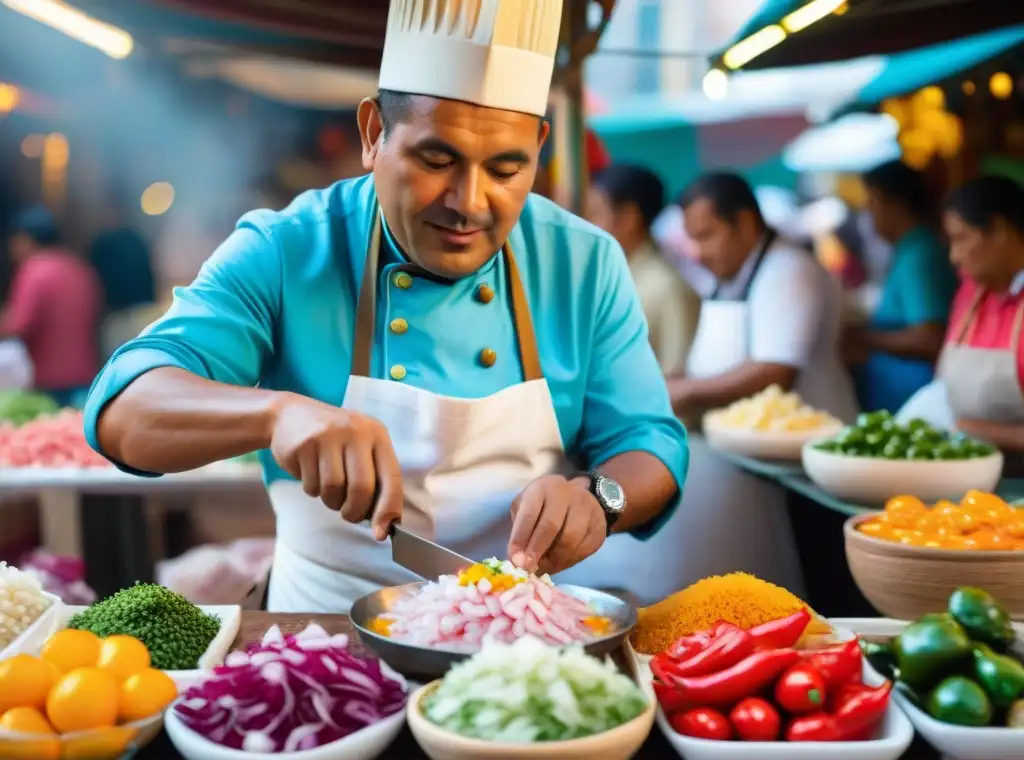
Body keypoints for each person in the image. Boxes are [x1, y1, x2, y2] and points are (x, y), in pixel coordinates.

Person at [83, 0, 688, 613]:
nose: (469, 203)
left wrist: (600, 496)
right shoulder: (289, 248)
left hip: (520, 639)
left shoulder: (583, 262)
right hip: (319, 631)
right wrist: (277, 415)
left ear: (539, 147)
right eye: (436, 160)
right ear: (374, 134)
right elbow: (122, 407)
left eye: (506, 170)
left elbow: (650, 441)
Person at [657, 172, 858, 599]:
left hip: (809, 466)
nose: (698, 251)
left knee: (823, 578)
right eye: (692, 238)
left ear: (746, 223)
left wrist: (687, 392)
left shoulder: (789, 269)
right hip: (757, 463)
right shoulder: (729, 272)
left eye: (707, 235)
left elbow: (773, 370)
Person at [903, 176, 1024, 458]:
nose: (954, 257)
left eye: (960, 238)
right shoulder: (971, 294)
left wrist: (971, 429)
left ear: (999, 229)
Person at [847, 160, 959, 413]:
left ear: (893, 203)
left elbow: (929, 337)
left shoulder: (919, 254)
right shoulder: (909, 250)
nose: (868, 211)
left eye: (871, 201)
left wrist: (858, 336)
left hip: (913, 400)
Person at [586, 164, 701, 375]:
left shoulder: (667, 288)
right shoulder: (607, 279)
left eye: (595, 214)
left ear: (629, 218)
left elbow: (677, 377)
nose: (585, 225)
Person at [1, 207, 101, 405]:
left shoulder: (35, 269)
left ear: (25, 239)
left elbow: (20, 324)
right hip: (85, 375)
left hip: (49, 381)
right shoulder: (79, 267)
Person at [87, 193, 157, 358]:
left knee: (120, 361)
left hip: (129, 313)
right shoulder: (137, 240)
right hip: (127, 313)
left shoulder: (103, 244)